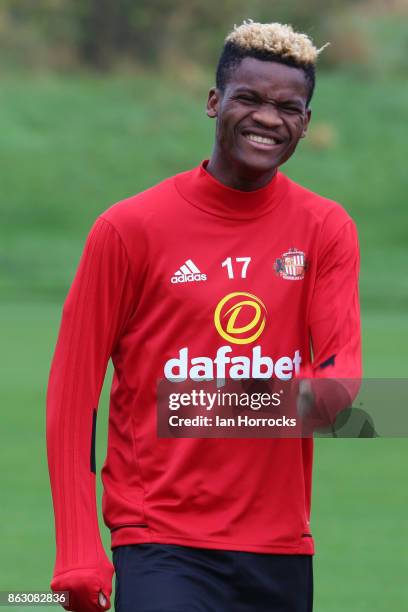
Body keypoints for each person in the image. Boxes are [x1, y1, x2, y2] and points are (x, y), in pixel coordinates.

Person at [46, 20, 361, 612]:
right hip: (160, 543)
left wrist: (195, 401)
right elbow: (72, 395)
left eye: (287, 107)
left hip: (282, 552)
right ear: (214, 102)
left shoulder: (326, 230)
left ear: (306, 124)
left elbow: (340, 389)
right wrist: (77, 551)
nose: (268, 118)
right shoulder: (128, 229)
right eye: (249, 98)